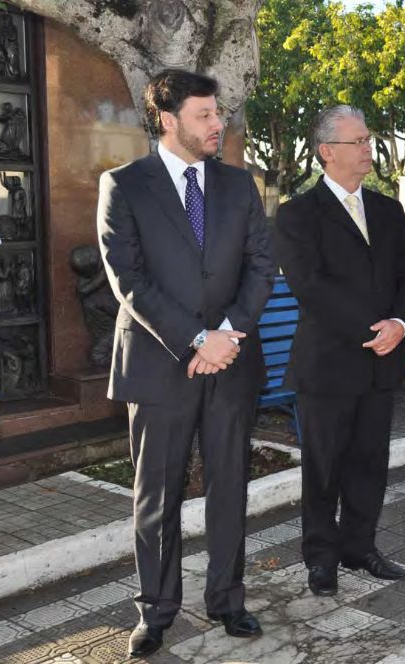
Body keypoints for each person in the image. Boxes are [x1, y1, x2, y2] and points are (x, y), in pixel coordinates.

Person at [96, 69, 274, 657]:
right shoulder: (124, 185)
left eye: (217, 113)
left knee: (230, 488)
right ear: (168, 120)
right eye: (204, 115)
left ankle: (228, 599)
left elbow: (260, 266)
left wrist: (226, 335)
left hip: (231, 362)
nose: (217, 123)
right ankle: (155, 612)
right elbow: (129, 281)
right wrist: (197, 339)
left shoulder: (239, 184)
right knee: (157, 496)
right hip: (159, 363)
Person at [275, 106, 405, 597]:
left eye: (367, 140)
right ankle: (321, 560)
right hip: (328, 365)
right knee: (324, 469)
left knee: (370, 463)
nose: (367, 149)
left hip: (382, 361)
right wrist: (373, 329)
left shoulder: (387, 209)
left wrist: (399, 325)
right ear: (327, 151)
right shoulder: (298, 214)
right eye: (357, 141)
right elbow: (310, 287)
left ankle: (361, 548)